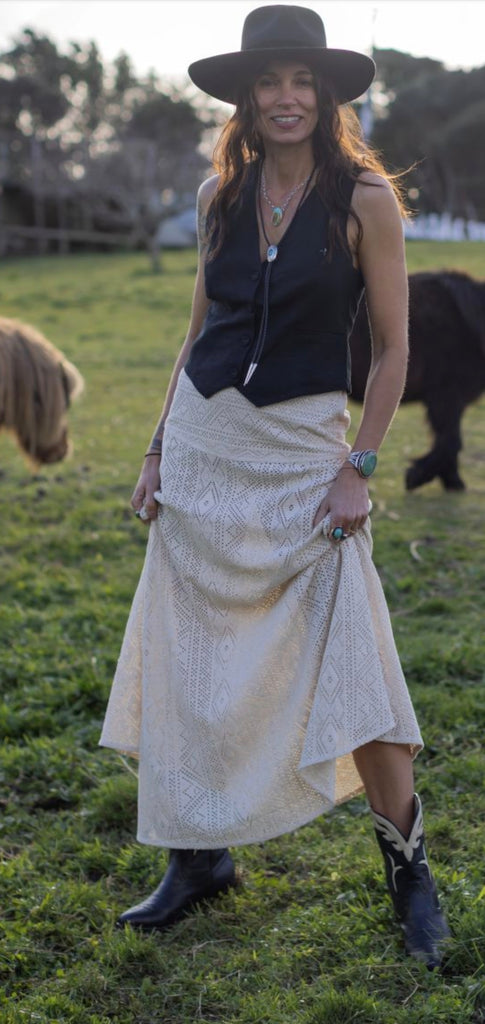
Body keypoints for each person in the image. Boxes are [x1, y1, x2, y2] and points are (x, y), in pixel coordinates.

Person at [100, 5, 450, 968]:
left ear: (325, 94)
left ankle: (409, 872)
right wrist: (157, 449)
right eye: (269, 81)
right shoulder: (223, 196)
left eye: (303, 80)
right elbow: (195, 335)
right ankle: (198, 856)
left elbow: (391, 350)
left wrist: (359, 466)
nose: (286, 97)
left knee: (360, 664)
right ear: (246, 98)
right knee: (194, 661)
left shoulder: (363, 199)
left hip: (305, 454)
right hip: (206, 449)